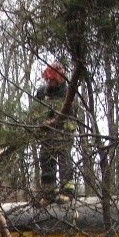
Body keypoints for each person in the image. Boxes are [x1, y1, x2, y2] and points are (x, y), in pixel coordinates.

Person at [31, 61, 78, 203]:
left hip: (63, 132)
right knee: (45, 159)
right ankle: (48, 193)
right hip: (46, 132)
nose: (50, 82)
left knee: (64, 157)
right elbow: (35, 112)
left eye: (52, 80)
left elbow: (72, 114)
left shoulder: (68, 92)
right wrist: (38, 127)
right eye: (48, 80)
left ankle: (67, 191)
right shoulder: (41, 92)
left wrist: (65, 129)